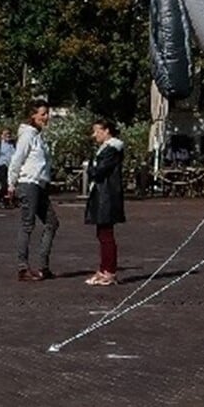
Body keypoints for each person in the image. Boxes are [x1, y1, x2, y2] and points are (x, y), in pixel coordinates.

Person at [4, 99, 59, 281]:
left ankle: (43, 265)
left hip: (40, 184)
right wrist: (11, 184)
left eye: (47, 114)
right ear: (33, 115)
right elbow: (17, 159)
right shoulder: (27, 135)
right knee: (27, 225)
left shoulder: (38, 136)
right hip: (28, 183)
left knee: (52, 222)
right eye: (43, 114)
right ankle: (23, 267)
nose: (46, 117)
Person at [83, 119, 126, 286]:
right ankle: (104, 269)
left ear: (106, 131)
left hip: (106, 195)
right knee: (102, 233)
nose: (94, 135)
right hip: (103, 194)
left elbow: (100, 171)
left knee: (106, 234)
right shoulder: (106, 150)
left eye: (97, 131)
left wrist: (91, 168)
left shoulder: (111, 150)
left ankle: (109, 271)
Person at [0, 127, 17, 209]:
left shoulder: (13, 144)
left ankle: (7, 201)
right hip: (1, 166)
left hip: (11, 167)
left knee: (11, 185)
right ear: (1, 136)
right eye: (5, 134)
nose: (7, 136)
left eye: (9, 134)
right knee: (5, 185)